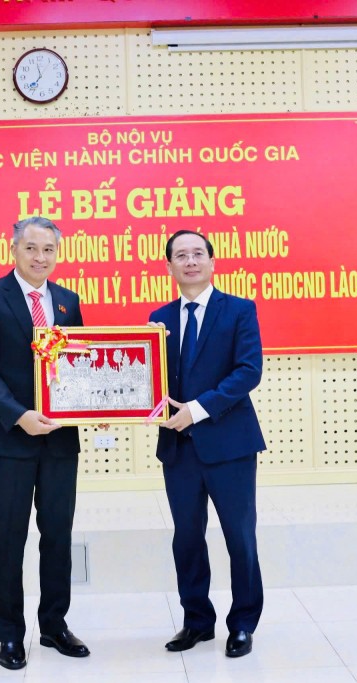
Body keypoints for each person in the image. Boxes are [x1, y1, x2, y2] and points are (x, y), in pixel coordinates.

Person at [0, 216, 90, 670]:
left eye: (49, 250)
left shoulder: (68, 302)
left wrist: (99, 407)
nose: (40, 258)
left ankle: (54, 626)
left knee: (58, 536)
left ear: (59, 253)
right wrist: (19, 416)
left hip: (60, 443)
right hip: (10, 441)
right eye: (31, 248)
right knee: (9, 539)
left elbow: (77, 366)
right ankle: (11, 636)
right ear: (13, 249)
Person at [149, 229, 267, 658]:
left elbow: (247, 372)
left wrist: (197, 410)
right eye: (181, 255)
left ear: (213, 262)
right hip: (178, 450)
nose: (190, 261)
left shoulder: (238, 310)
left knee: (240, 537)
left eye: (198, 253)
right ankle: (197, 621)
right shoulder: (157, 319)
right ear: (169, 267)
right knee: (187, 538)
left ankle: (242, 624)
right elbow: (148, 380)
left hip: (230, 446)